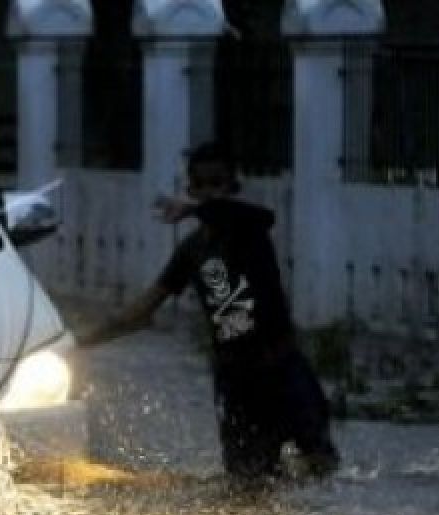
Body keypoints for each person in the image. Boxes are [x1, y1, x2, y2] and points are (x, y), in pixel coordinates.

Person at [78, 142, 339, 487]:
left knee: (321, 468)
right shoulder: (192, 251)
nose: (210, 192)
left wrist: (194, 210)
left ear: (233, 187)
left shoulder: (251, 230)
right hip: (236, 383)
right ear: (191, 189)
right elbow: (141, 312)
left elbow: (261, 216)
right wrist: (77, 342)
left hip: (283, 370)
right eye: (202, 185)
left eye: (218, 184)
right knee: (247, 486)